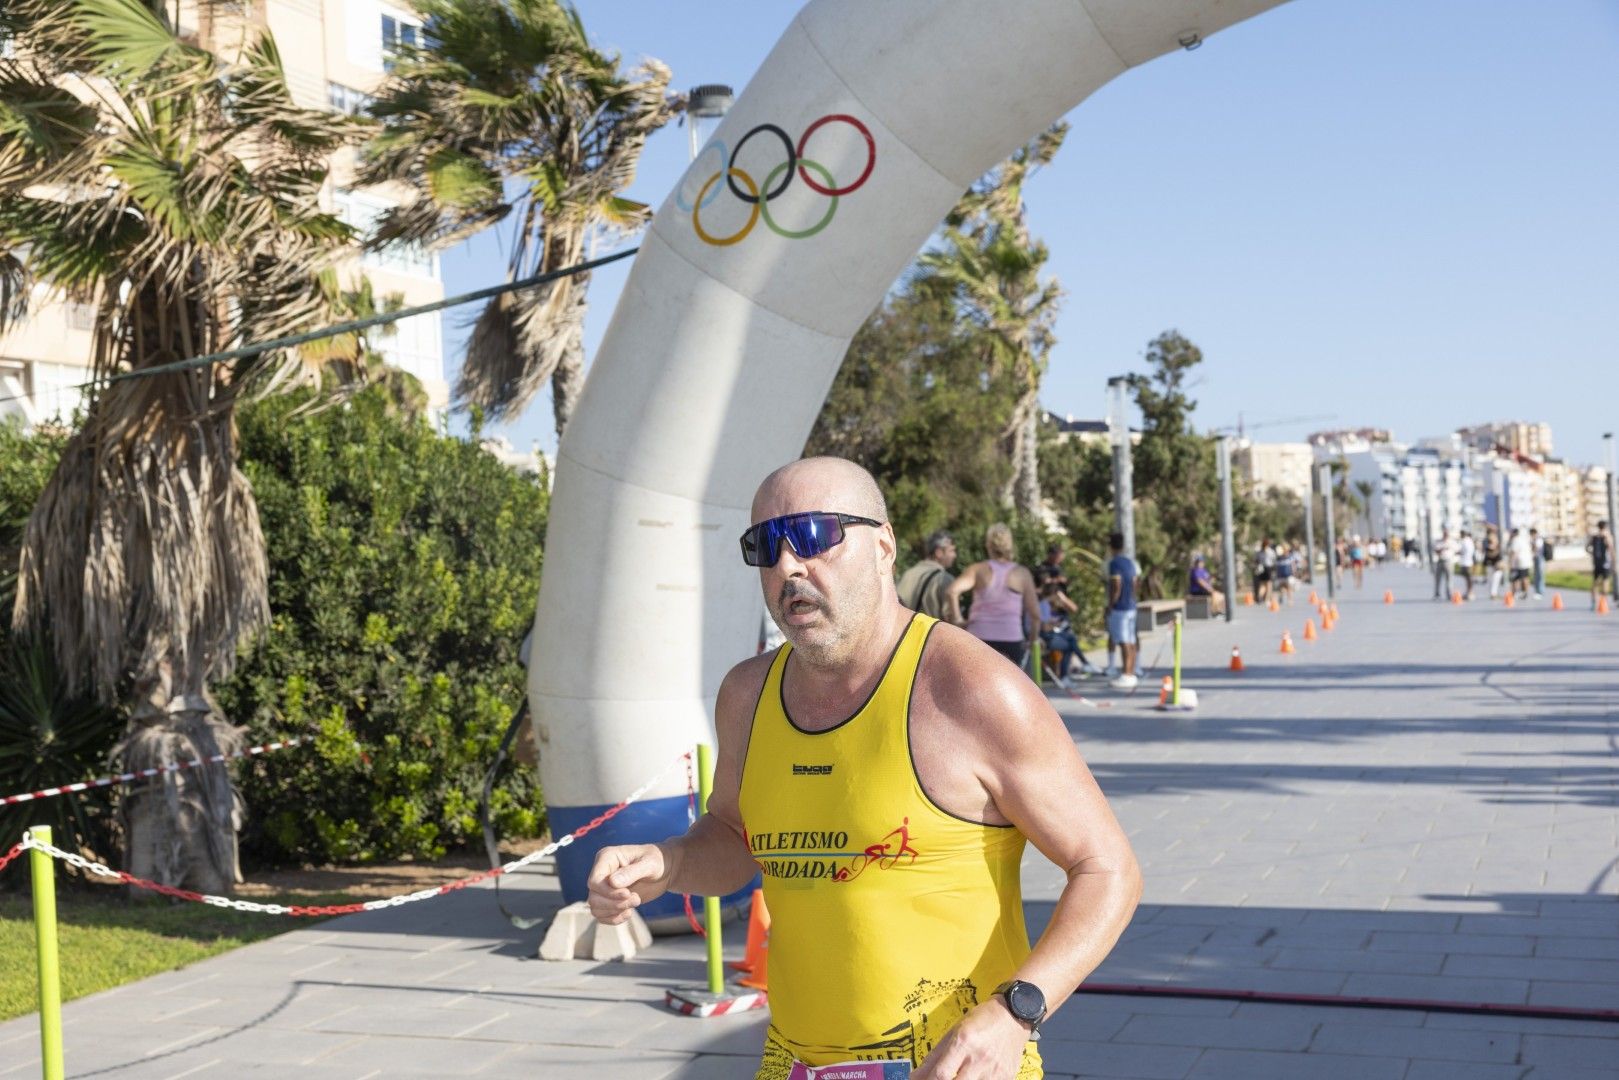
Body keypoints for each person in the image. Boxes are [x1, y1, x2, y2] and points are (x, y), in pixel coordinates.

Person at [586, 457, 1142, 1079]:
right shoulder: (746, 695)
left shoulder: (972, 689)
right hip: (790, 1062)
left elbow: (1108, 868)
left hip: (953, 1066)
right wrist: (667, 863)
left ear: (883, 546)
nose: (788, 565)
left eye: (814, 536)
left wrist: (1016, 1014)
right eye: (765, 546)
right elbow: (736, 837)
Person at [946, 523, 1042, 668]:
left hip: (979, 636)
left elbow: (952, 591)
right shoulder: (1022, 573)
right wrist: (1032, 640)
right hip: (1011, 638)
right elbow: (1035, 615)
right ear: (1010, 545)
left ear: (988, 545)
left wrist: (958, 620)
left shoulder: (977, 569)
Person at [1038, 578, 1101, 679]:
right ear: (1055, 593)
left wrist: (1063, 599)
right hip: (1045, 637)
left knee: (1070, 639)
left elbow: (1074, 609)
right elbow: (1045, 628)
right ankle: (1077, 668)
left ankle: (1081, 666)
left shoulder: (1047, 604)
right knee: (1069, 644)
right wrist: (1056, 624)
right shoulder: (1044, 605)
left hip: (1053, 634)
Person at [895, 530, 958, 620]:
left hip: (905, 631)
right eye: (951, 551)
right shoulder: (944, 579)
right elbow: (950, 619)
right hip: (933, 633)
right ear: (939, 552)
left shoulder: (908, 574)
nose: (954, 555)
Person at [1105, 532, 1139, 691]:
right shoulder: (1129, 562)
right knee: (1131, 640)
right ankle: (1131, 673)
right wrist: (1132, 599)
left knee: (1124, 641)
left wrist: (1111, 605)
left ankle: (1126, 674)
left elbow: (1116, 585)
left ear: (1111, 546)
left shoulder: (1114, 563)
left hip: (1121, 608)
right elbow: (1134, 583)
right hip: (1131, 605)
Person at [1589, 520, 1613, 610]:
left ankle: (1593, 602)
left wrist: (1593, 554)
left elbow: (1587, 547)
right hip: (1605, 563)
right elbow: (1611, 550)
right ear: (1605, 527)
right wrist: (1615, 563)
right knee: (1605, 582)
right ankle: (1603, 602)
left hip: (1596, 563)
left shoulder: (1594, 536)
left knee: (1595, 583)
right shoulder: (1606, 536)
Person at [1508, 527, 1533, 599]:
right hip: (1526, 561)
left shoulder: (1515, 540)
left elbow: (1514, 552)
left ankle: (1514, 593)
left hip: (1519, 562)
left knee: (1515, 578)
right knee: (1525, 577)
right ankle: (1525, 592)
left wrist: (1511, 563)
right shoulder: (1524, 539)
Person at [1432, 528, 1453, 600]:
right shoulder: (1439, 541)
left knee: (1449, 579)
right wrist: (1442, 548)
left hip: (1448, 561)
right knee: (1438, 578)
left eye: (1447, 534)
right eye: (1445, 534)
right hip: (1440, 561)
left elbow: (1456, 550)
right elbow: (1436, 550)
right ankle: (1437, 594)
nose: (1446, 535)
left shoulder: (1451, 542)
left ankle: (1449, 594)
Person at [1457, 530, 1476, 602]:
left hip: (1466, 562)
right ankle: (1469, 592)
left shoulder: (1465, 541)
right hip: (1468, 562)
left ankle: (1470, 593)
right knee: (1468, 579)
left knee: (1469, 579)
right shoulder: (1469, 541)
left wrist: (1458, 552)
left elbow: (1463, 551)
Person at [1532, 528, 1550, 600]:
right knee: (1536, 575)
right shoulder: (1534, 540)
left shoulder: (1538, 540)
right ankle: (1537, 591)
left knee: (1540, 575)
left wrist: (1532, 548)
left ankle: (1540, 592)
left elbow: (1536, 549)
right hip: (1536, 558)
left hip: (1540, 558)